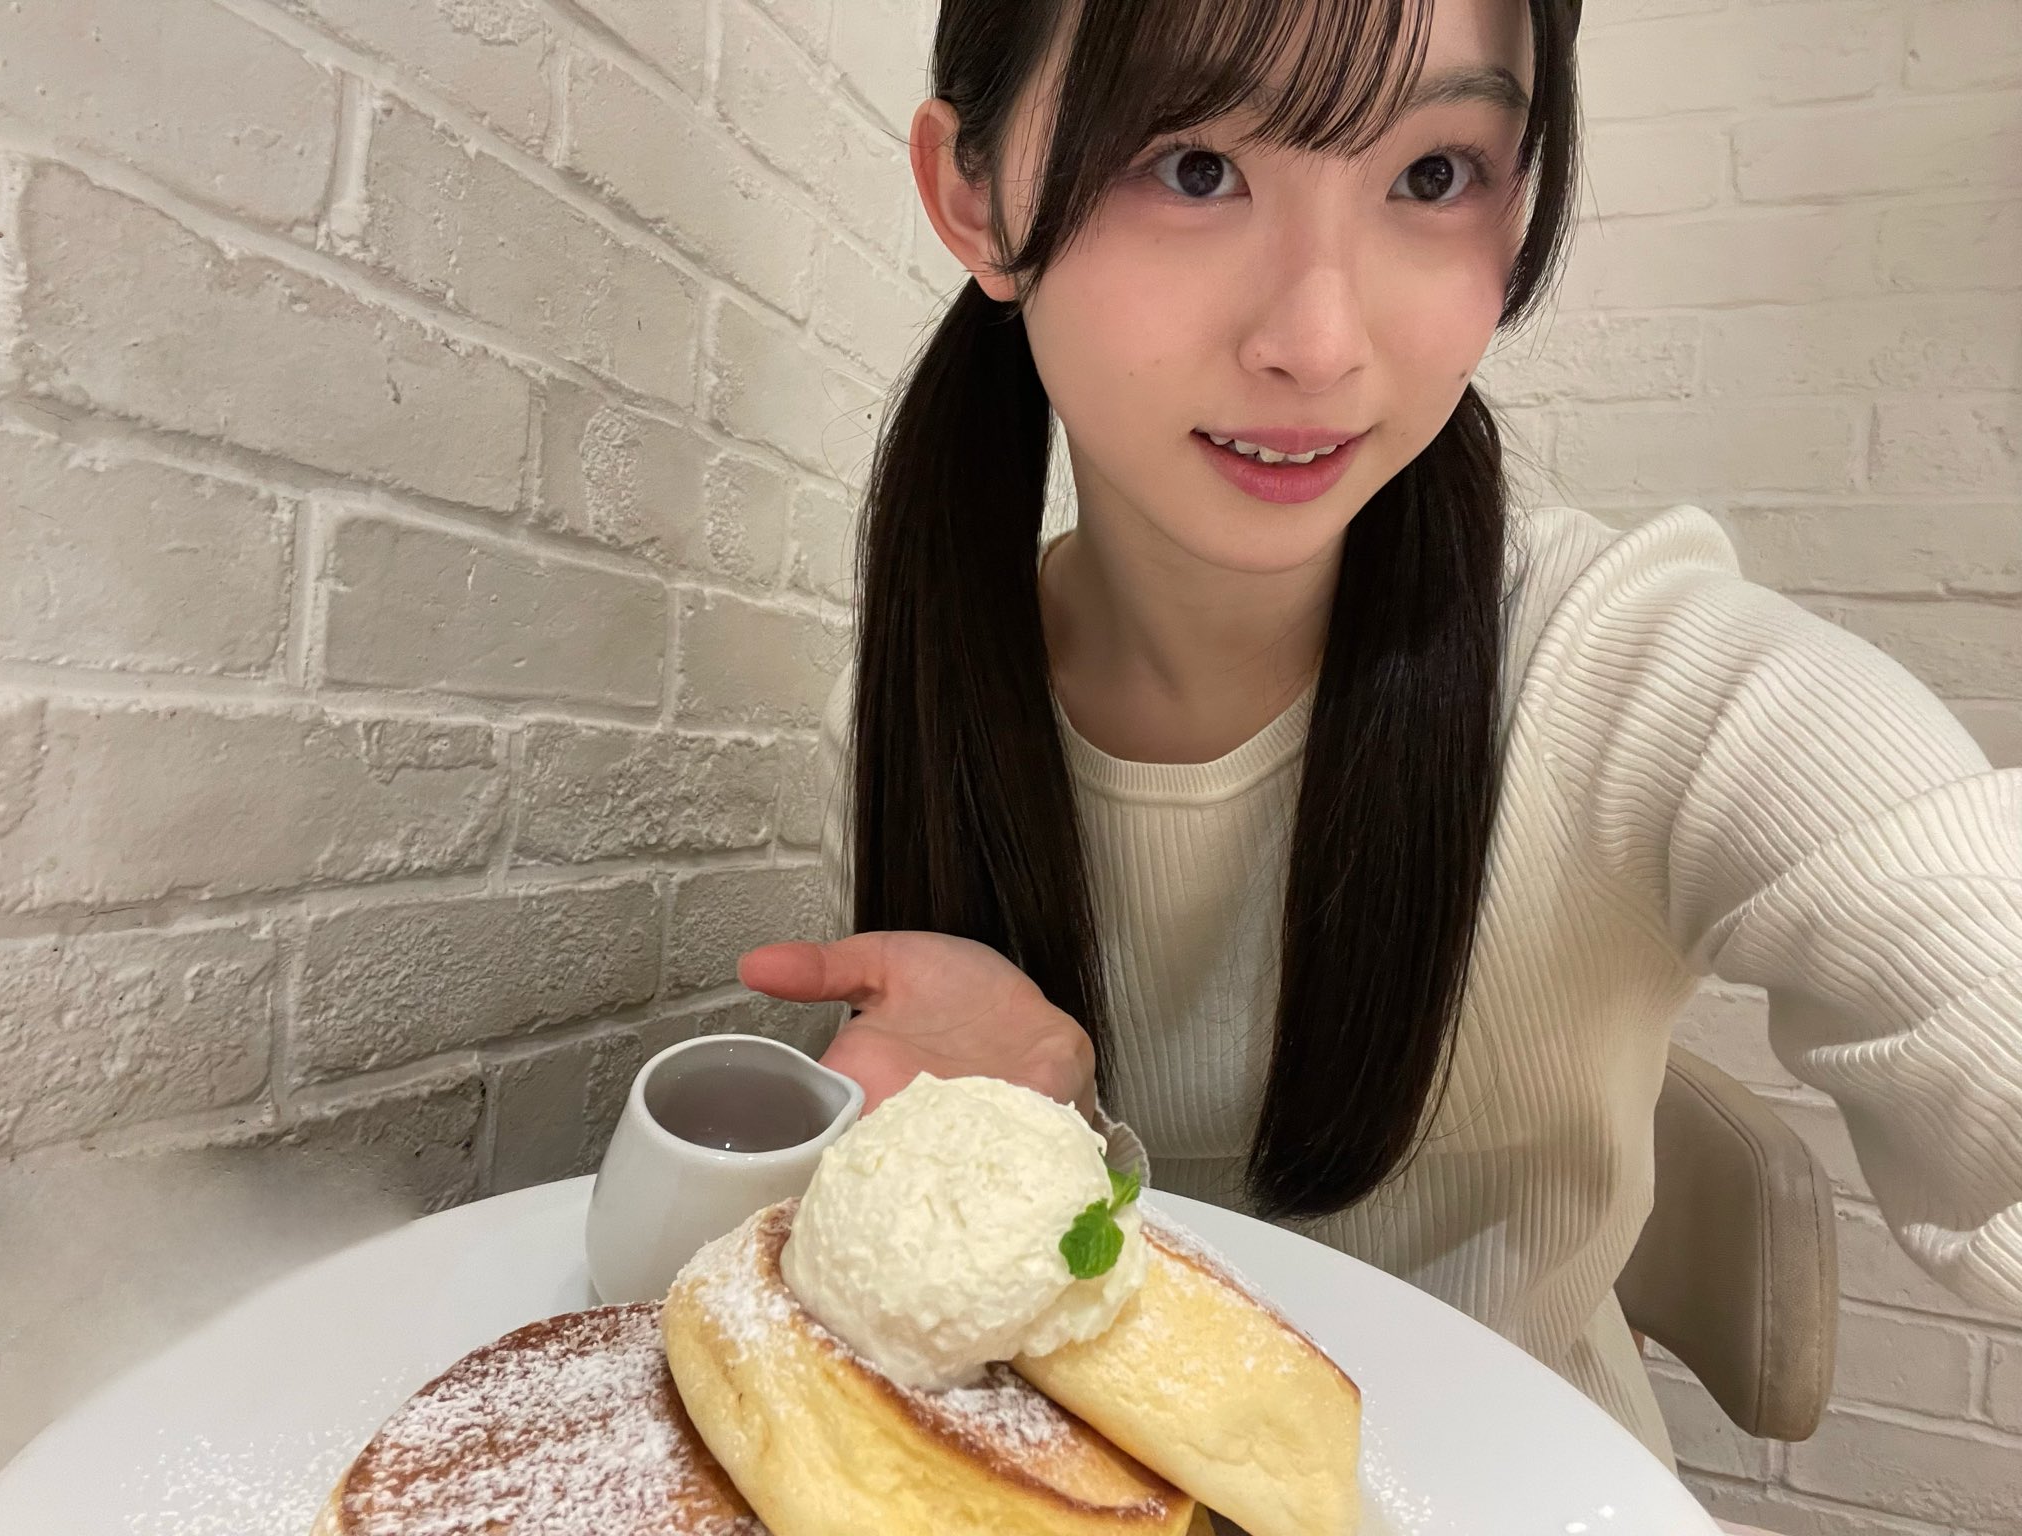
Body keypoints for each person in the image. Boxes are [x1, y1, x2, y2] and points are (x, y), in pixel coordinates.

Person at [735, 0, 2022, 1508]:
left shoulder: (1621, 673)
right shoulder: (914, 713)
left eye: (1433, 175)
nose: (1320, 344)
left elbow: (1952, 925)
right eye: (1195, 165)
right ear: (976, 197)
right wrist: (1023, 1145)